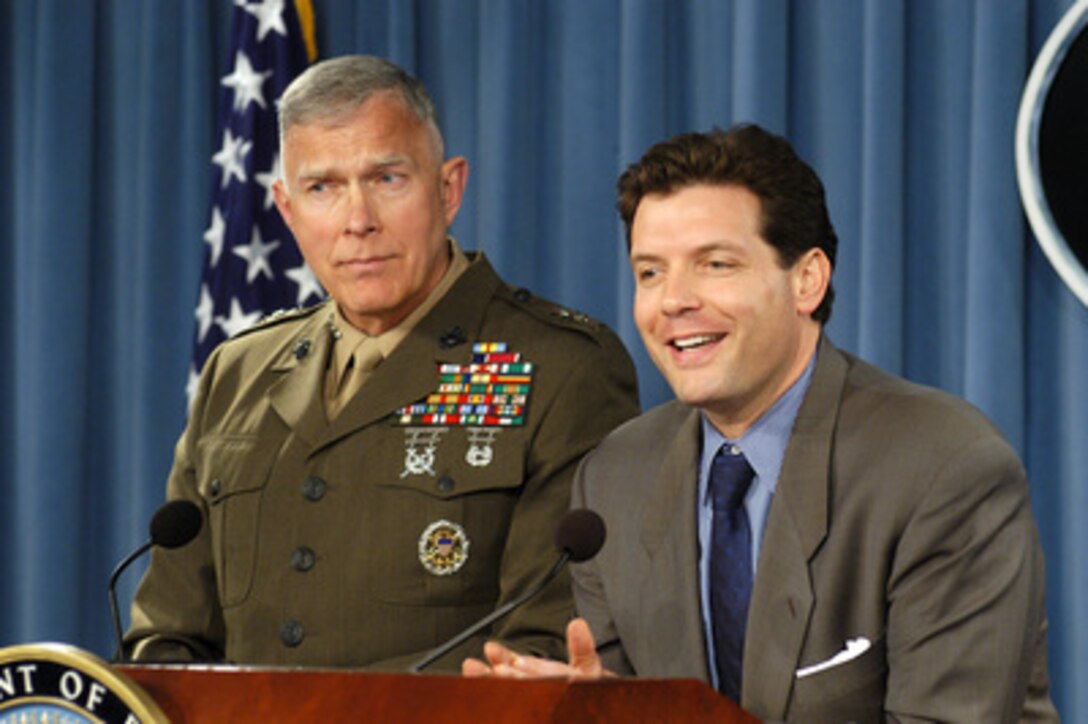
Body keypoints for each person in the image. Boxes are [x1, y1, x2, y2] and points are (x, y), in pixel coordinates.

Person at [463, 125, 1057, 722]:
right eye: (650, 273)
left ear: (807, 281)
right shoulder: (615, 481)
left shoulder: (945, 470)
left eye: (715, 264)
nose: (673, 301)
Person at [124, 55, 639, 671]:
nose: (358, 221)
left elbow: (541, 650)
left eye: (387, 179)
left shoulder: (563, 368)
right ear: (286, 211)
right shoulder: (236, 374)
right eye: (323, 188)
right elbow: (166, 644)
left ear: (448, 190)